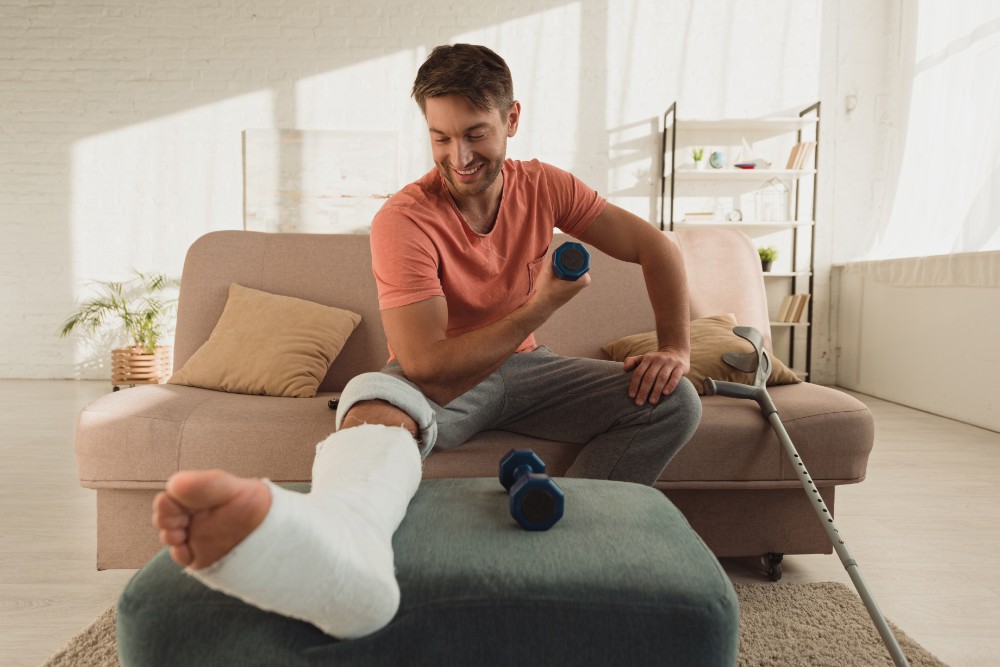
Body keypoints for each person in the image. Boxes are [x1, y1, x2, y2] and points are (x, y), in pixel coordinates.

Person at [152, 44, 701, 641]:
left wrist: (676, 347)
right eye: (440, 137)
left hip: (528, 370)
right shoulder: (404, 219)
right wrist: (541, 304)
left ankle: (562, 545)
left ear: (512, 119)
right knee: (371, 408)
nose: (459, 157)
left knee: (673, 401)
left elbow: (657, 248)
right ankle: (343, 542)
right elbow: (427, 367)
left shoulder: (546, 186)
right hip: (444, 374)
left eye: (476, 134)